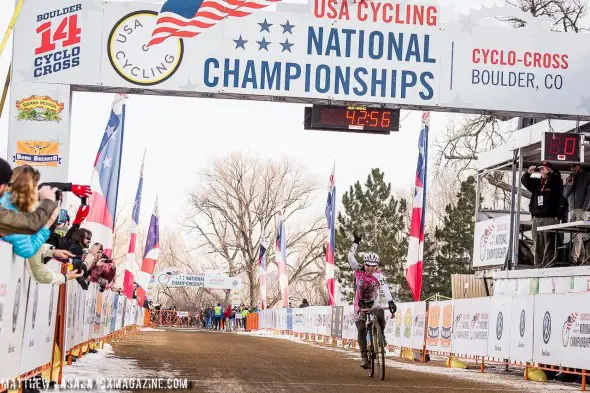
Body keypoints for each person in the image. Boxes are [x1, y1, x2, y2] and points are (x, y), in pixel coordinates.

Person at [348, 232, 396, 369]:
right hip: (360, 302)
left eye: (373, 266)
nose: (370, 268)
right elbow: (350, 256)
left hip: (374, 301)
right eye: (368, 265)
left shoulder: (379, 275)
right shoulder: (357, 269)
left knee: (380, 315)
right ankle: (364, 357)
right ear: (364, 264)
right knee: (361, 328)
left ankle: (381, 336)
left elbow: (385, 288)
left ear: (377, 266)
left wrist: (391, 302)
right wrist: (356, 242)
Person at [0, 165, 59, 258]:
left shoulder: (5, 203)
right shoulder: (11, 209)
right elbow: (27, 251)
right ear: (30, 190)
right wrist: (49, 221)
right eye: (36, 188)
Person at [521, 161, 563, 266]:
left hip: (549, 218)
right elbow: (525, 181)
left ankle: (547, 266)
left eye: (546, 168)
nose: (543, 170)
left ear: (551, 171)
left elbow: (558, 182)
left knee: (549, 243)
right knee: (538, 244)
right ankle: (538, 266)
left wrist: (548, 174)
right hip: (536, 218)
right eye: (542, 168)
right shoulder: (537, 182)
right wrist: (528, 173)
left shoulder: (555, 182)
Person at [564, 163, 590, 264]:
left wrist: (585, 207)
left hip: (581, 208)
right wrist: (570, 184)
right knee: (574, 234)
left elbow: (589, 193)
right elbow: (565, 194)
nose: (572, 168)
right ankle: (581, 258)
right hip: (571, 208)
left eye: (574, 166)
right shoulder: (570, 177)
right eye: (570, 167)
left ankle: (573, 258)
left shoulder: (586, 176)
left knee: (578, 234)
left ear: (579, 166)